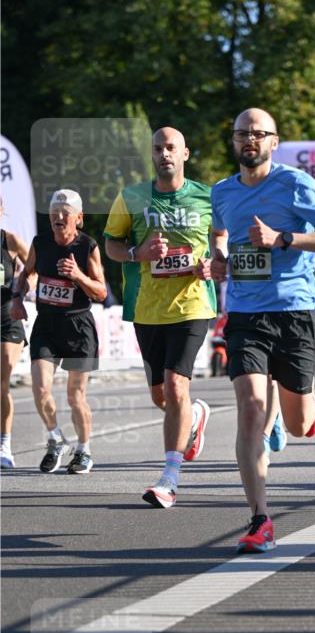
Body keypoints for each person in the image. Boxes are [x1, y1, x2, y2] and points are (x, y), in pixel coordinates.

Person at [205, 107, 315, 553]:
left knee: (301, 425)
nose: (250, 140)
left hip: (294, 312)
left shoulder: (295, 185)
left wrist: (284, 239)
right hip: (246, 315)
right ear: (233, 141)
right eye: (242, 133)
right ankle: (259, 519)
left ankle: (300, 404)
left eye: (258, 134)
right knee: (249, 409)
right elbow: (219, 232)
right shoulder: (222, 192)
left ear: (273, 141)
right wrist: (221, 261)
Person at [104, 126, 224, 507]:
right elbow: (112, 244)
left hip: (192, 304)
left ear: (185, 153)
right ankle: (196, 415)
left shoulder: (208, 197)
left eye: (171, 147)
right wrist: (138, 254)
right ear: (152, 155)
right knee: (163, 395)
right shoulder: (132, 197)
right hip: (146, 307)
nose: (164, 154)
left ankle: (169, 479)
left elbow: (220, 239)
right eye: (158, 148)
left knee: (175, 387)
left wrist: (212, 262)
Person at [11, 190, 106, 473]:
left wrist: (77, 275)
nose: (59, 217)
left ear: (79, 218)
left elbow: (101, 291)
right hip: (47, 325)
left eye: (66, 212)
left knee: (75, 396)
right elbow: (27, 274)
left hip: (79, 327)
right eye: (54, 212)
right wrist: (18, 296)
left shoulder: (87, 246)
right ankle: (55, 438)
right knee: (40, 390)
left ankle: (84, 450)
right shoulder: (40, 243)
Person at [1, 204, 32, 469]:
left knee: (1, 381)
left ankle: (5, 444)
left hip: (7, 320)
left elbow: (33, 266)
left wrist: (19, 293)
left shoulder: (10, 240)